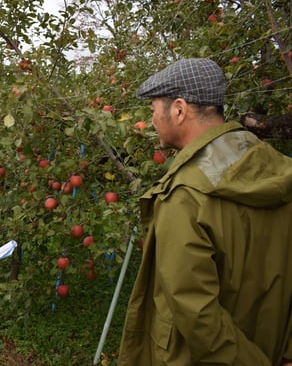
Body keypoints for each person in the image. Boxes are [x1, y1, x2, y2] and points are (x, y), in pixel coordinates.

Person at [117, 58, 292, 365]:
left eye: (154, 109)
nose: (152, 119)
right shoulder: (279, 170)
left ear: (179, 110)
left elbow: (198, 314)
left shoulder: (185, 196)